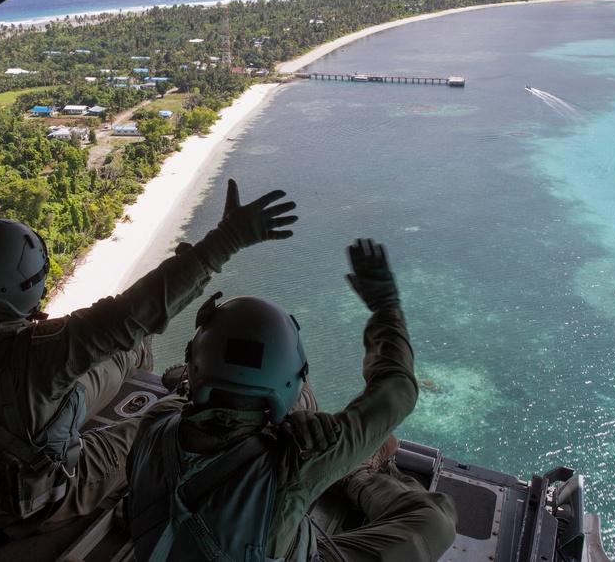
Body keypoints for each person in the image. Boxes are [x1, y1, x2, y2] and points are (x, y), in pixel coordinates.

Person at [0, 179, 298, 538]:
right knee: (160, 431)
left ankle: (147, 378)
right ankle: (176, 395)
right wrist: (227, 238)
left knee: (127, 348)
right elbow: (136, 312)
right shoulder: (37, 354)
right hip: (30, 498)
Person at [126, 238, 458, 562]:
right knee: (434, 521)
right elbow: (397, 390)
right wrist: (386, 307)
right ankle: (359, 477)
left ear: (194, 364)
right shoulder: (293, 462)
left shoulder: (157, 421)